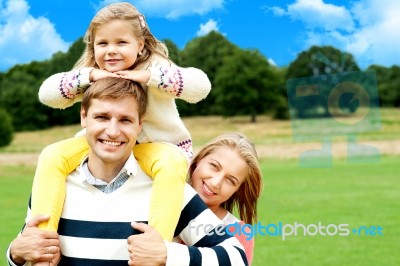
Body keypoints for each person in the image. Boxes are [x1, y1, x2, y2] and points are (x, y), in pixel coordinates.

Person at [7, 77, 247, 266]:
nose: (112, 131)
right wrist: (15, 254)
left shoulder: (172, 191)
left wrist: (167, 255)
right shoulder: (56, 186)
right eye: (102, 117)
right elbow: (26, 250)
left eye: (125, 120)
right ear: (84, 117)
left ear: (139, 125)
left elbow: (237, 257)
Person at [32, 1, 211, 242]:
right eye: (102, 43)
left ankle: (155, 243)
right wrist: (89, 76)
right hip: (103, 143)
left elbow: (201, 87)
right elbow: (46, 94)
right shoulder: (91, 74)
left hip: (157, 147)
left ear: (140, 45)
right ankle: (43, 240)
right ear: (93, 47)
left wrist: (148, 77)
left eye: (121, 42)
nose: (111, 50)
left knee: (171, 164)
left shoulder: (154, 68)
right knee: (52, 155)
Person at [188, 133, 263, 265]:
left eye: (230, 180)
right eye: (214, 166)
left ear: (237, 190)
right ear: (199, 159)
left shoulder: (239, 234)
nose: (216, 183)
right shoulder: (155, 198)